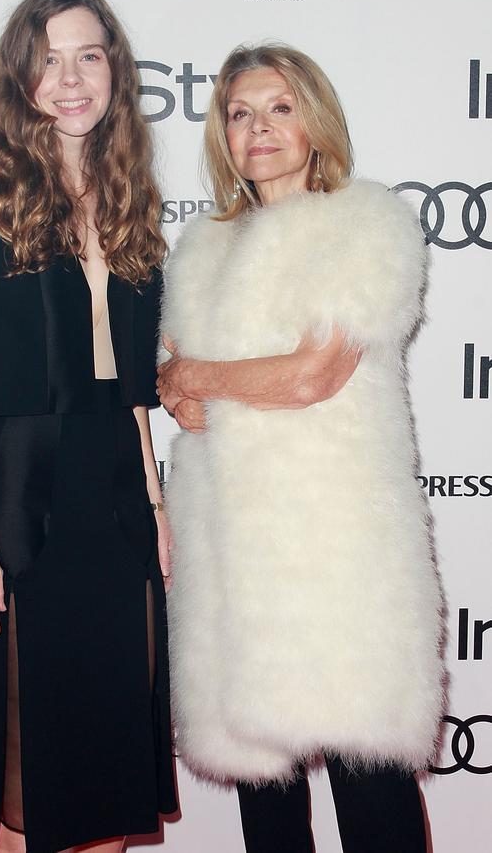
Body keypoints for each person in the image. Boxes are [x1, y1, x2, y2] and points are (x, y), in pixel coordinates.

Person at [0, 0, 177, 852]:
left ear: (115, 71)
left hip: (116, 507)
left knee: (107, 781)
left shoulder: (130, 198)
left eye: (88, 55)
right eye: (48, 58)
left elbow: (131, 389)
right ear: (21, 76)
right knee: (22, 786)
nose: (70, 77)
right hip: (19, 507)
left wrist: (156, 506)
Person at [157, 43, 443, 853]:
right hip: (232, 552)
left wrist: (203, 374)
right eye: (240, 113)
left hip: (337, 545)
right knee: (265, 791)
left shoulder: (365, 221)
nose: (260, 128)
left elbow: (314, 373)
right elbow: (177, 396)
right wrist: (205, 383)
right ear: (223, 133)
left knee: (369, 774)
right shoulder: (202, 248)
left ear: (314, 120)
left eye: (279, 108)